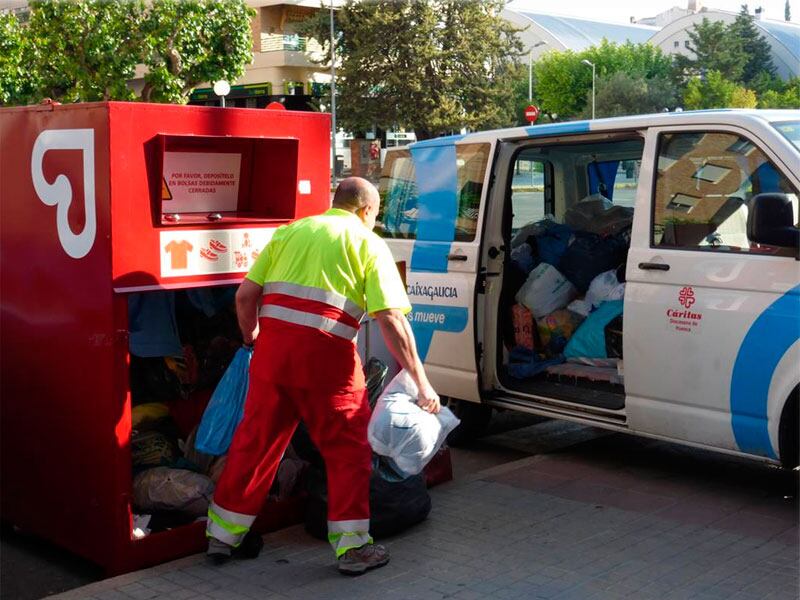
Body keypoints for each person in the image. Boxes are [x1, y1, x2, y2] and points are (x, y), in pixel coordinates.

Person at [206, 177, 440, 575]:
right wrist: (422, 381)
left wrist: (252, 339)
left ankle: (223, 537)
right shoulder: (368, 243)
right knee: (347, 452)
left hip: (272, 359)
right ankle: (352, 550)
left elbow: (245, 297)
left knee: (255, 444)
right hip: (328, 364)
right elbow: (391, 319)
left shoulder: (290, 232)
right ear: (367, 210)